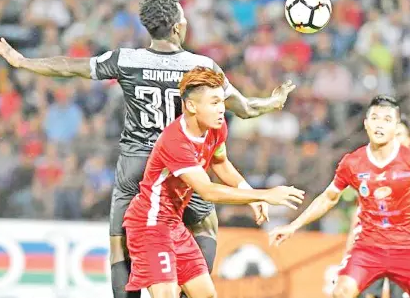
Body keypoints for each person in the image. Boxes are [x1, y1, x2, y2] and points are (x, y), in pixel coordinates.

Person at [0, 0, 296, 298]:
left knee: (119, 245)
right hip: (182, 166)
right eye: (184, 18)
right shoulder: (202, 67)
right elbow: (245, 109)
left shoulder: (127, 59)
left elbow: (71, 66)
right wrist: (273, 102)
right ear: (177, 27)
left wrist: (23, 61)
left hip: (135, 164)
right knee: (205, 224)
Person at [123, 66, 305, 298]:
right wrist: (264, 194)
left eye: (222, 102)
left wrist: (247, 191)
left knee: (207, 295)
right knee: (166, 294)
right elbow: (207, 190)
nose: (222, 109)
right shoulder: (175, 141)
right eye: (214, 102)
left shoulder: (216, 128)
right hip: (149, 225)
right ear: (191, 106)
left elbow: (220, 162)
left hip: (174, 225)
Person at [268, 95, 410, 298]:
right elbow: (328, 198)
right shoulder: (352, 162)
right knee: (341, 292)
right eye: (375, 118)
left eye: (387, 120)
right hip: (368, 248)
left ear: (395, 127)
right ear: (366, 124)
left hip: (407, 247)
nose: (380, 125)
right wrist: (294, 225)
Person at [346, 115, 410, 298]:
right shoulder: (373, 171)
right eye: (393, 135)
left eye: (401, 134)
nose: (397, 139)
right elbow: (359, 214)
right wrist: (350, 248)